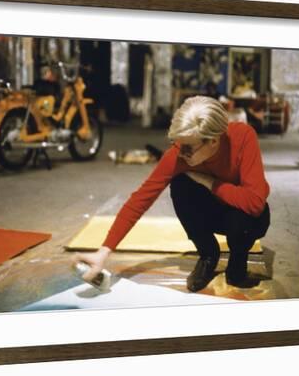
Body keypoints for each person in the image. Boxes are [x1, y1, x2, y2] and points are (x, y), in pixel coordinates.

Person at [74, 96, 271, 291]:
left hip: (240, 217)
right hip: (212, 212)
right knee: (180, 184)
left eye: (188, 147)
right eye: (178, 144)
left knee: (247, 218)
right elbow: (140, 200)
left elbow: (255, 203)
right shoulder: (179, 154)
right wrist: (103, 252)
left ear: (212, 141)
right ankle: (208, 254)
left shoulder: (243, 137)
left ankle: (237, 266)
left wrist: (211, 183)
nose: (181, 152)